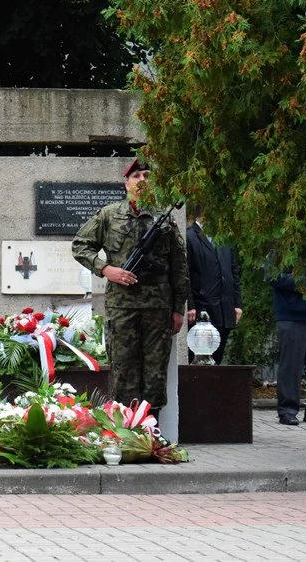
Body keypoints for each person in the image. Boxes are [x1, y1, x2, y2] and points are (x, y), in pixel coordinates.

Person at [72, 159, 189, 418]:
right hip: (121, 306)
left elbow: (179, 267)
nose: (143, 180)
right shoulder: (109, 215)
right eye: (136, 176)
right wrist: (106, 270)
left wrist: (178, 308)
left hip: (158, 307)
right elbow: (80, 245)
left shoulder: (165, 220)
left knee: (155, 370)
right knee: (123, 367)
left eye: (147, 175)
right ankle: (126, 431)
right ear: (127, 184)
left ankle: (151, 431)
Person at [186, 206, 242, 364]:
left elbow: (233, 271)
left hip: (225, 309)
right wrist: (190, 304)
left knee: (217, 360)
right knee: (200, 361)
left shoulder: (225, 237)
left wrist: (237, 304)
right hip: (203, 309)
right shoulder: (190, 237)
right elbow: (186, 274)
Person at [267, 265, 306, 425]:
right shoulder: (282, 242)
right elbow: (273, 276)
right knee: (291, 365)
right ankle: (287, 410)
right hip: (292, 314)